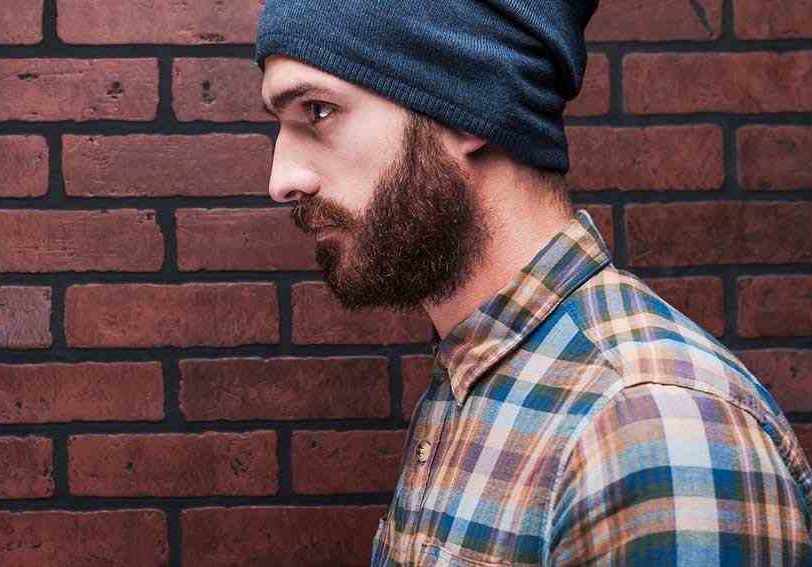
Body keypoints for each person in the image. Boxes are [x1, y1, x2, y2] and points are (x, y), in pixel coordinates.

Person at [252, 1, 812, 564]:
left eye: (318, 111)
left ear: (469, 102)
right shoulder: (475, 378)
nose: (282, 179)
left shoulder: (653, 429)